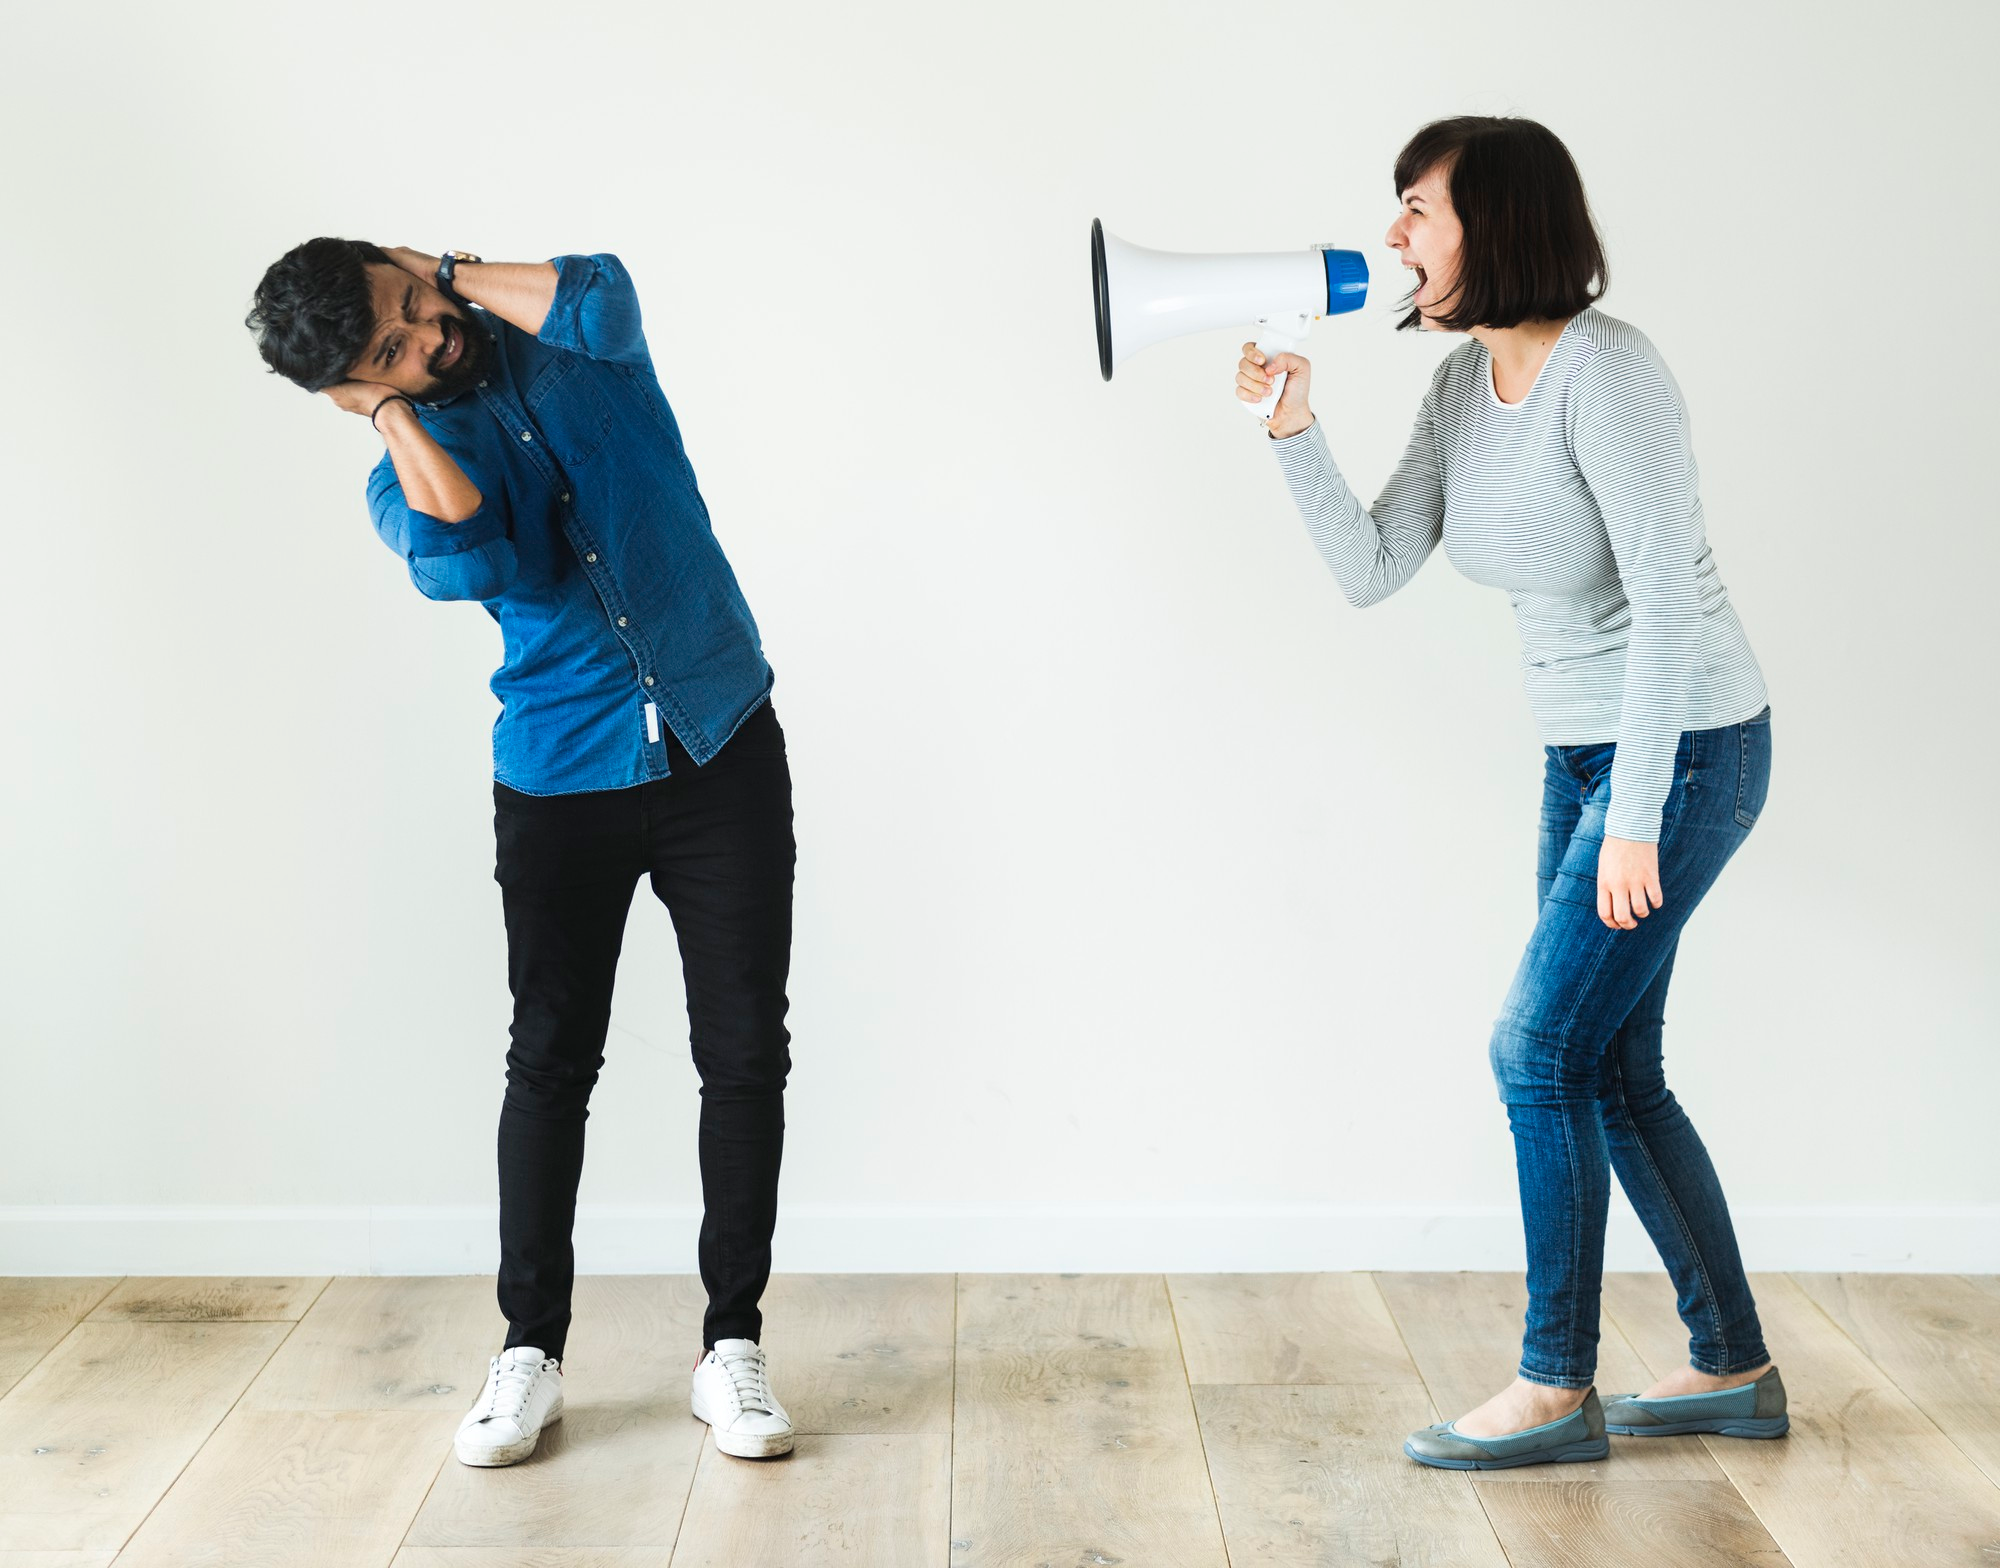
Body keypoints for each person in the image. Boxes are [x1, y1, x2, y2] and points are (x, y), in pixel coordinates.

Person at [1236, 117, 1787, 1469]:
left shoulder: (1609, 374)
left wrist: (1642, 815)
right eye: (1398, 211)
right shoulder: (1457, 396)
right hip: (1584, 753)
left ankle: (1555, 1384)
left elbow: (1665, 604)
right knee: (1607, 1064)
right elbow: (1372, 568)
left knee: (1535, 1051)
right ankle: (1733, 1366)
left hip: (1691, 742)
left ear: (1502, 226)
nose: (1391, 238)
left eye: (1417, 210)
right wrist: (1294, 426)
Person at [246, 242, 797, 1464]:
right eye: (386, 354)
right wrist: (390, 407)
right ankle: (528, 1351)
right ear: (354, 391)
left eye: (410, 311)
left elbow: (606, 293)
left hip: (720, 736)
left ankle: (732, 1346)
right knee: (550, 1057)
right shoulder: (404, 472)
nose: (427, 339)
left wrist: (433, 265)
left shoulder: (566, 330)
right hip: (560, 780)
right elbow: (476, 552)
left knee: (744, 1046)